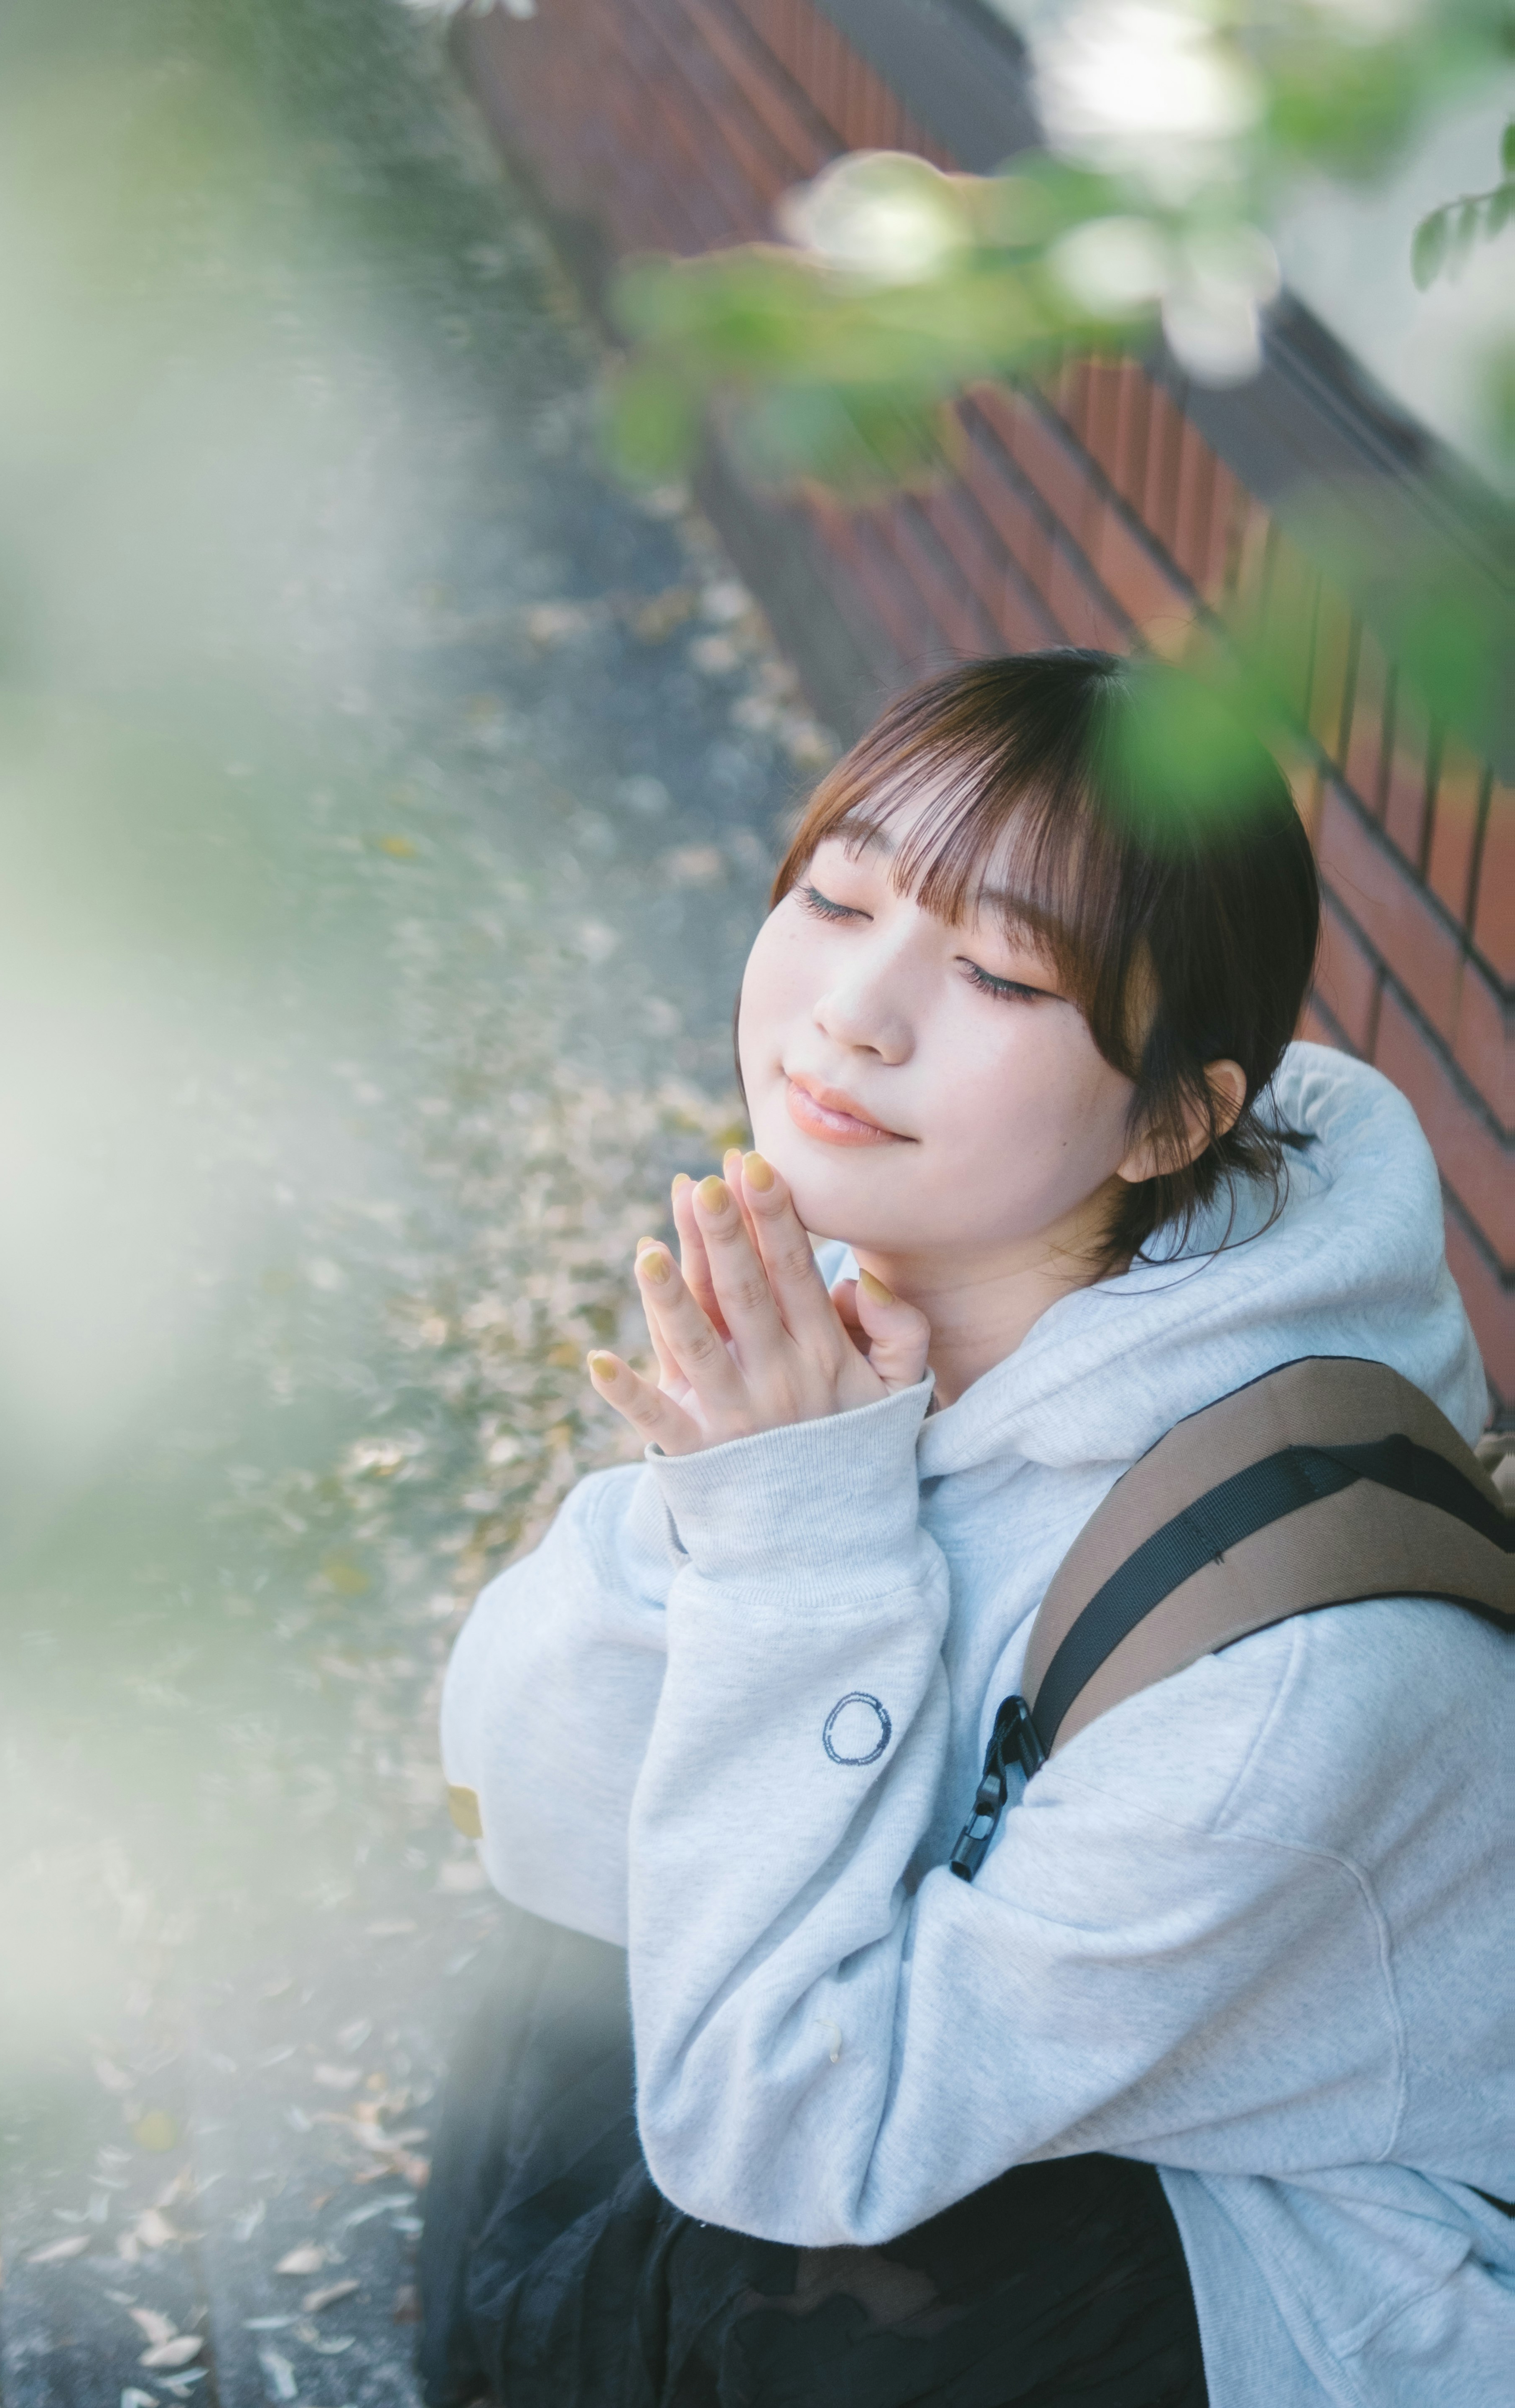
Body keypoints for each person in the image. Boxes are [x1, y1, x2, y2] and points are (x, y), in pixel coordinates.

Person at [424, 650, 1510, 2408]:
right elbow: (528, 1801)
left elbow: (796, 2143)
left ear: (1173, 1114)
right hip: (1038, 2076)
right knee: (565, 2038)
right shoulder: (941, 1250)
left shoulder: (1287, 1677)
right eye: (838, 894)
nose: (853, 1011)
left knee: (811, 2303)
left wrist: (791, 1548)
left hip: (1330, 2265)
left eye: (1001, 970)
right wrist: (747, 1509)